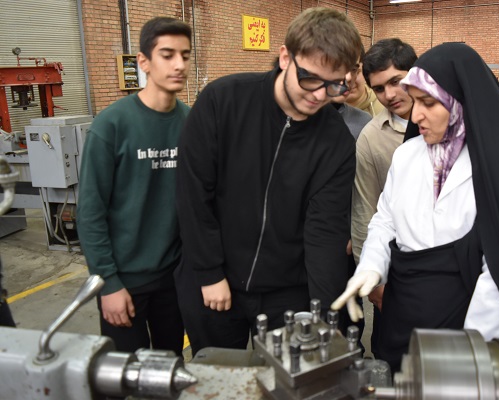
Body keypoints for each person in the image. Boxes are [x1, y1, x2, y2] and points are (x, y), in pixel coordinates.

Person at [332, 42, 499, 371]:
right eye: (416, 101)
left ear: (461, 100)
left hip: (464, 322)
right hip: (400, 316)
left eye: (429, 102)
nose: (415, 115)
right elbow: (385, 220)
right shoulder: (407, 156)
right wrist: (371, 266)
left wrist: (471, 350)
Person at [175, 7, 362, 356]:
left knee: (288, 378)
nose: (320, 95)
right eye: (310, 78)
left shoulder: (335, 139)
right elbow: (193, 194)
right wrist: (209, 272)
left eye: (334, 84)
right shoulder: (223, 101)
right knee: (218, 375)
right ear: (285, 57)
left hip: (287, 292)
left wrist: (327, 315)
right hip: (213, 281)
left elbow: (324, 231)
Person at [77, 17, 192, 354]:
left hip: (174, 279)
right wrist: (107, 282)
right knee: (123, 374)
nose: (179, 65)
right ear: (143, 61)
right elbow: (90, 213)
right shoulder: (111, 124)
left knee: (168, 365)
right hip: (123, 281)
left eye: (185, 55)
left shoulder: (192, 123)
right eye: (167, 55)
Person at [350, 38, 417, 358]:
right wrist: (373, 279)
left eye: (396, 81)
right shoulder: (371, 137)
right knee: (391, 355)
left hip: (447, 265)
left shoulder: (451, 120)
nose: (389, 95)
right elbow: (365, 209)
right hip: (395, 267)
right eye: (378, 88)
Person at [346, 45, 385, 117]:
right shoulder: (325, 109)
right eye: (340, 72)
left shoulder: (385, 106)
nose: (348, 78)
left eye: (355, 71)